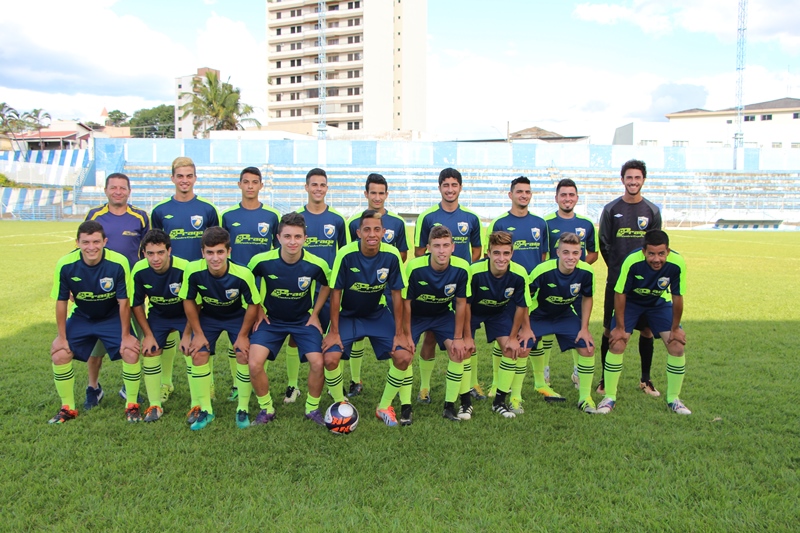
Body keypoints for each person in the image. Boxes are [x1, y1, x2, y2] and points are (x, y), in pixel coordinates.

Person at [321, 210, 415, 427]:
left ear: (383, 232)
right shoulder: (345, 254)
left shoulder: (391, 255)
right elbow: (335, 293)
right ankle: (340, 405)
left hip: (376, 314)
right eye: (366, 229)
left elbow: (397, 294)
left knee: (403, 356)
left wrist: (400, 334)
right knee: (330, 358)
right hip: (348, 315)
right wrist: (334, 331)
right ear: (358, 232)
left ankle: (383, 406)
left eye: (376, 229)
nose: (372, 234)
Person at [48, 221, 140, 423]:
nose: (92, 247)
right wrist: (61, 337)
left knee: (131, 350)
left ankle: (132, 405)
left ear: (105, 241)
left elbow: (124, 303)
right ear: (77, 243)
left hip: (111, 316)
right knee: (60, 353)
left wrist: (126, 336)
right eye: (86, 242)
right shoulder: (65, 264)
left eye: (96, 241)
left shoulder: (118, 262)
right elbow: (61, 302)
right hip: (83, 316)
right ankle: (67, 408)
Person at [246, 213, 331, 427]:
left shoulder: (317, 264)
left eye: (297, 236)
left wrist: (314, 313)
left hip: (303, 320)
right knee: (254, 363)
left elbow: (327, 285)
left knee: (317, 362)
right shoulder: (261, 260)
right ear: (278, 237)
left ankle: (312, 408)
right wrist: (258, 311)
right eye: (287, 236)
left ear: (305, 238)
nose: (292, 241)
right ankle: (267, 408)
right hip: (272, 320)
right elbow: (247, 283)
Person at [596, 230, 690, 415]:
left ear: (668, 251)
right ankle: (609, 397)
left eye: (661, 253)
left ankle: (674, 399)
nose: (657, 259)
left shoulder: (677, 263)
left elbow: (677, 296)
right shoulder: (632, 261)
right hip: (631, 303)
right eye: (651, 253)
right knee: (617, 342)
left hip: (658, 304)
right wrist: (621, 328)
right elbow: (620, 293)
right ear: (644, 251)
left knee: (677, 345)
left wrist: (675, 328)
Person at [151, 157, 220, 405]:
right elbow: (155, 244)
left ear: (195, 178)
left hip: (201, 282)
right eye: (180, 176)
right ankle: (166, 383)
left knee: (199, 333)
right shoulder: (159, 211)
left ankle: (207, 384)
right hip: (169, 281)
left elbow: (214, 246)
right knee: (168, 333)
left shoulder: (208, 210)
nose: (184, 180)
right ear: (172, 178)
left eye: (189, 176)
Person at [179, 227, 261, 430]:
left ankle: (242, 408)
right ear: (202, 253)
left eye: (220, 252)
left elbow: (253, 304)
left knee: (243, 353)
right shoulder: (193, 270)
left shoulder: (243, 273)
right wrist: (196, 334)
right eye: (210, 252)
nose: (215, 258)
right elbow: (188, 301)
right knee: (198, 354)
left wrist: (243, 335)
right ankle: (206, 410)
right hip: (209, 316)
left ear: (229, 252)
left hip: (236, 317)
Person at [82, 173, 150, 410]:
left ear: (129, 191)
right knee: (95, 345)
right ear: (105, 190)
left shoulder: (140, 217)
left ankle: (127, 387)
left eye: (123, 188)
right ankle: (93, 387)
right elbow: (83, 249)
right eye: (113, 187)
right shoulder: (95, 215)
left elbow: (147, 252)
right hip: (100, 291)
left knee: (132, 342)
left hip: (131, 292)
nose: (118, 191)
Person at [414, 168, 482, 402]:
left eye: (454, 185)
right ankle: (424, 387)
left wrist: (462, 269)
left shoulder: (471, 218)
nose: (450, 189)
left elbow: (477, 250)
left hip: (460, 284)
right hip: (435, 286)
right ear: (440, 187)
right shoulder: (427, 217)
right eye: (446, 185)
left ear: (460, 188)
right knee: (431, 336)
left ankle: (471, 383)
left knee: (467, 333)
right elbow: (419, 252)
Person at [598, 159, 662, 397]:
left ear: (643, 180)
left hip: (646, 284)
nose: (633, 182)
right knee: (609, 330)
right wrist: (617, 268)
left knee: (646, 331)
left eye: (637, 178)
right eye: (629, 177)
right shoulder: (611, 209)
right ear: (622, 179)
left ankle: (645, 380)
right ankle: (604, 379)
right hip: (617, 283)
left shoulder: (652, 211)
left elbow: (657, 247)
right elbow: (604, 244)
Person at [345, 173, 410, 398]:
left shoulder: (398, 223)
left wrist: (385, 272)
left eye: (381, 193)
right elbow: (350, 254)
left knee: (397, 331)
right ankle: (355, 380)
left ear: (386, 195)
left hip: (388, 282)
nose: (377, 197)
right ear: (366, 194)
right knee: (358, 332)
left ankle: (402, 386)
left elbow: (402, 253)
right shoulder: (354, 223)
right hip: (362, 284)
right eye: (373, 192)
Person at [286, 168, 347, 403]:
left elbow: (343, 254)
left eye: (322, 185)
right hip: (301, 288)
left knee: (332, 335)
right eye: (314, 184)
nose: (318, 189)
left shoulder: (337, 220)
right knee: (294, 335)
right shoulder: (296, 218)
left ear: (327, 188)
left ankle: (333, 386)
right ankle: (292, 386)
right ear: (306, 187)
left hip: (330, 288)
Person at [486, 176, 548, 401]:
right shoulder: (500, 223)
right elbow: (491, 256)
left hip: (530, 290)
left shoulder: (540, 224)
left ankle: (521, 389)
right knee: (503, 336)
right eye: (519, 191)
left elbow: (542, 256)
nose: (524, 195)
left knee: (526, 338)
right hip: (504, 287)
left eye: (527, 192)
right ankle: (496, 383)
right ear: (510, 194)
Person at [221, 166, 280, 401]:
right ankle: (237, 383)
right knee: (235, 333)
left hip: (261, 285)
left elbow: (276, 253)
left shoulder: (271, 217)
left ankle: (249, 380)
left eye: (255, 182)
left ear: (261, 186)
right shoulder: (228, 216)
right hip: (232, 285)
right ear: (239, 185)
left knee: (254, 332)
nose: (250, 186)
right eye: (246, 182)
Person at [520, 232, 598, 413]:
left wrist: (584, 328)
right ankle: (516, 398)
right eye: (566, 252)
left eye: (575, 253)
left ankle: (585, 398)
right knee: (522, 346)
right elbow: (524, 299)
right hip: (539, 315)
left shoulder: (586, 271)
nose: (571, 257)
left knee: (587, 346)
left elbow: (587, 298)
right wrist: (525, 328)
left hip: (564, 315)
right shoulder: (543, 270)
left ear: (581, 253)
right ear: (558, 253)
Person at [404, 225, 470, 423]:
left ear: (453, 247)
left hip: (442, 314)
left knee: (459, 351)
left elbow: (460, 303)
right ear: (428, 247)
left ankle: (449, 406)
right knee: (404, 352)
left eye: (446, 245)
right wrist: (406, 334)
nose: (441, 250)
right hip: (417, 315)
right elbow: (406, 303)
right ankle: (406, 405)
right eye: (437, 245)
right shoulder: (414, 267)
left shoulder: (462, 267)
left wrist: (459, 337)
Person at [463, 231, 532, 419]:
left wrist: (512, 337)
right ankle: (465, 403)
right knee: (464, 349)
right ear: (488, 253)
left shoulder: (519, 273)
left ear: (512, 253)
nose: (501, 258)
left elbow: (521, 306)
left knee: (511, 349)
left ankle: (499, 402)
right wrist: (468, 336)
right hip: (474, 312)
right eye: (496, 253)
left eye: (506, 253)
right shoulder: (474, 271)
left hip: (499, 312)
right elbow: (465, 304)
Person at [130, 229, 192, 423]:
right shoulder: (139, 270)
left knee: (195, 350)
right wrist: (147, 334)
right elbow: (137, 304)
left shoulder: (185, 268)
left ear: (169, 251)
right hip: (158, 316)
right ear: (144, 253)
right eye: (150, 253)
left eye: (160, 253)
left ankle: (199, 403)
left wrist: (189, 333)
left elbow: (195, 303)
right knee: (149, 350)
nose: (155, 258)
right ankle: (155, 404)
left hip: (185, 315)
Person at [543, 178, 598, 389]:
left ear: (577, 197)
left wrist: (576, 269)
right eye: (563, 195)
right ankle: (544, 373)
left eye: (571, 195)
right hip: (552, 286)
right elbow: (545, 254)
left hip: (577, 288)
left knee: (579, 328)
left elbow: (593, 253)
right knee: (546, 329)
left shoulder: (586, 224)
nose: (567, 199)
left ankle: (577, 373)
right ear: (556, 198)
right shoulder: (546, 223)